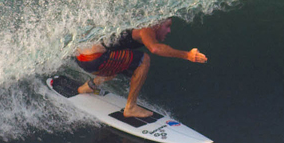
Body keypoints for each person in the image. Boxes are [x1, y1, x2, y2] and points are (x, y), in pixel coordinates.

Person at [73, 19, 207, 118]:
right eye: (167, 26)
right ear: (157, 24)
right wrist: (187, 55)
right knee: (143, 60)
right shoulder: (146, 29)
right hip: (95, 59)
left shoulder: (135, 22)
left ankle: (89, 86)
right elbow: (154, 48)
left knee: (120, 62)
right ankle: (130, 107)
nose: (169, 31)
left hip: (82, 58)